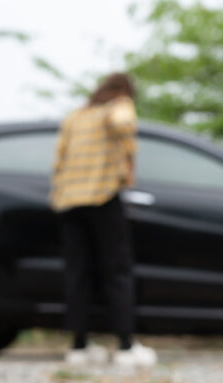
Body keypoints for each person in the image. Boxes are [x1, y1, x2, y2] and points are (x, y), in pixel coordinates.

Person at [50, 72, 157, 366]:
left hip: (69, 201)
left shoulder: (75, 117)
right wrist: (127, 148)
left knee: (78, 274)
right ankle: (125, 347)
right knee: (117, 271)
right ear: (124, 91)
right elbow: (124, 123)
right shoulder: (118, 106)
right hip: (102, 197)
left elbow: (58, 160)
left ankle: (79, 347)